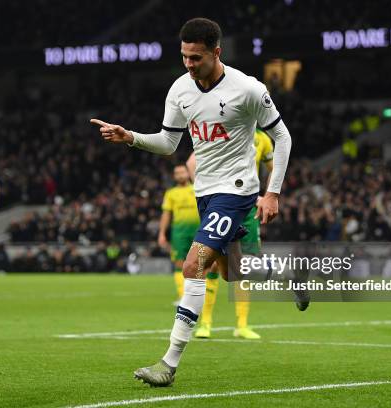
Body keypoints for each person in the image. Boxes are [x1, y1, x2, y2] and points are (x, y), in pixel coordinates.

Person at [90, 18, 292, 386]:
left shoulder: (247, 88)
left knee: (192, 268)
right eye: (184, 56)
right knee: (233, 273)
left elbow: (282, 135)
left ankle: (168, 363)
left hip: (237, 189)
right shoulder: (180, 90)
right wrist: (130, 136)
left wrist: (272, 192)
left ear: (217, 52)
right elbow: (169, 144)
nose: (188, 64)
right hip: (206, 192)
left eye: (196, 57)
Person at [186, 128, 275, 340]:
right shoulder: (227, 126)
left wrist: (267, 196)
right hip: (224, 204)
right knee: (214, 262)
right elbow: (191, 163)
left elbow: (274, 167)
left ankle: (240, 324)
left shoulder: (262, 138)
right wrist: (204, 191)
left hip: (247, 204)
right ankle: (206, 323)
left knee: (245, 264)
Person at [158, 164, 201, 302]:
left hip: (198, 230)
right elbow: (166, 214)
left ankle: (197, 295)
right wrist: (162, 233)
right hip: (179, 232)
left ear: (188, 173)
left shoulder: (197, 188)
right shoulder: (171, 193)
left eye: (182, 172)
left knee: (199, 263)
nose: (180, 175)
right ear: (174, 176)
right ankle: (183, 296)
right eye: (177, 173)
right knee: (179, 263)